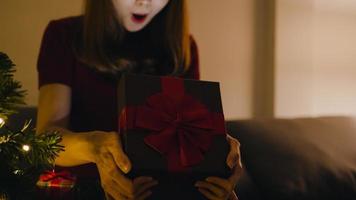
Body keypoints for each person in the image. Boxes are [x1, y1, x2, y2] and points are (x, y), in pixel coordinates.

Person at [36, 0, 242, 199]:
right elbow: (46, 139)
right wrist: (95, 146)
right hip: (77, 188)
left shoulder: (181, 47)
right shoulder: (64, 35)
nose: (144, 2)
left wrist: (217, 149)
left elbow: (189, 132)